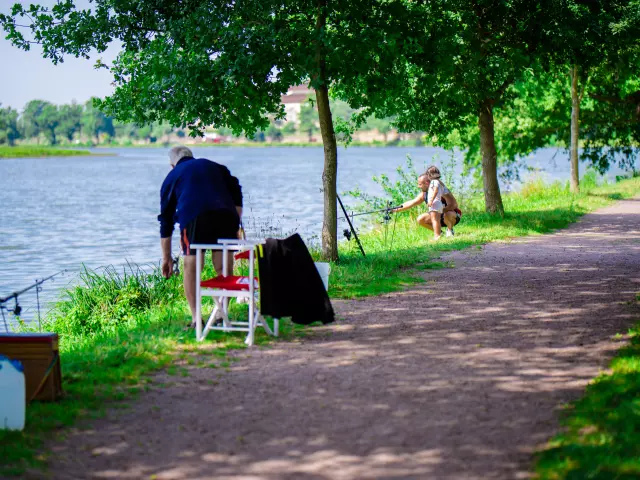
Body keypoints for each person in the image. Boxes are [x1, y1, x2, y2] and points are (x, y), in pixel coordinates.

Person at [158, 145, 243, 326]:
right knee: (223, 268)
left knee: (192, 266)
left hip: (195, 217)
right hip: (225, 215)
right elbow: (236, 188)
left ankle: (197, 319)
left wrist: (166, 258)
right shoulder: (216, 167)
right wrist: (236, 219)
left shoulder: (172, 176)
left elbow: (166, 222)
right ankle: (221, 314)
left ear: (172, 164)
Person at [394, 166, 462, 238]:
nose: (418, 186)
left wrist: (440, 211)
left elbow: (454, 205)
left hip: (451, 215)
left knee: (447, 214)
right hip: (438, 215)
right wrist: (394, 209)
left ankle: (450, 230)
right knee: (420, 219)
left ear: (427, 183)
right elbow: (411, 203)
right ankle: (440, 233)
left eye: (420, 184)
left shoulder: (441, 190)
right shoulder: (424, 194)